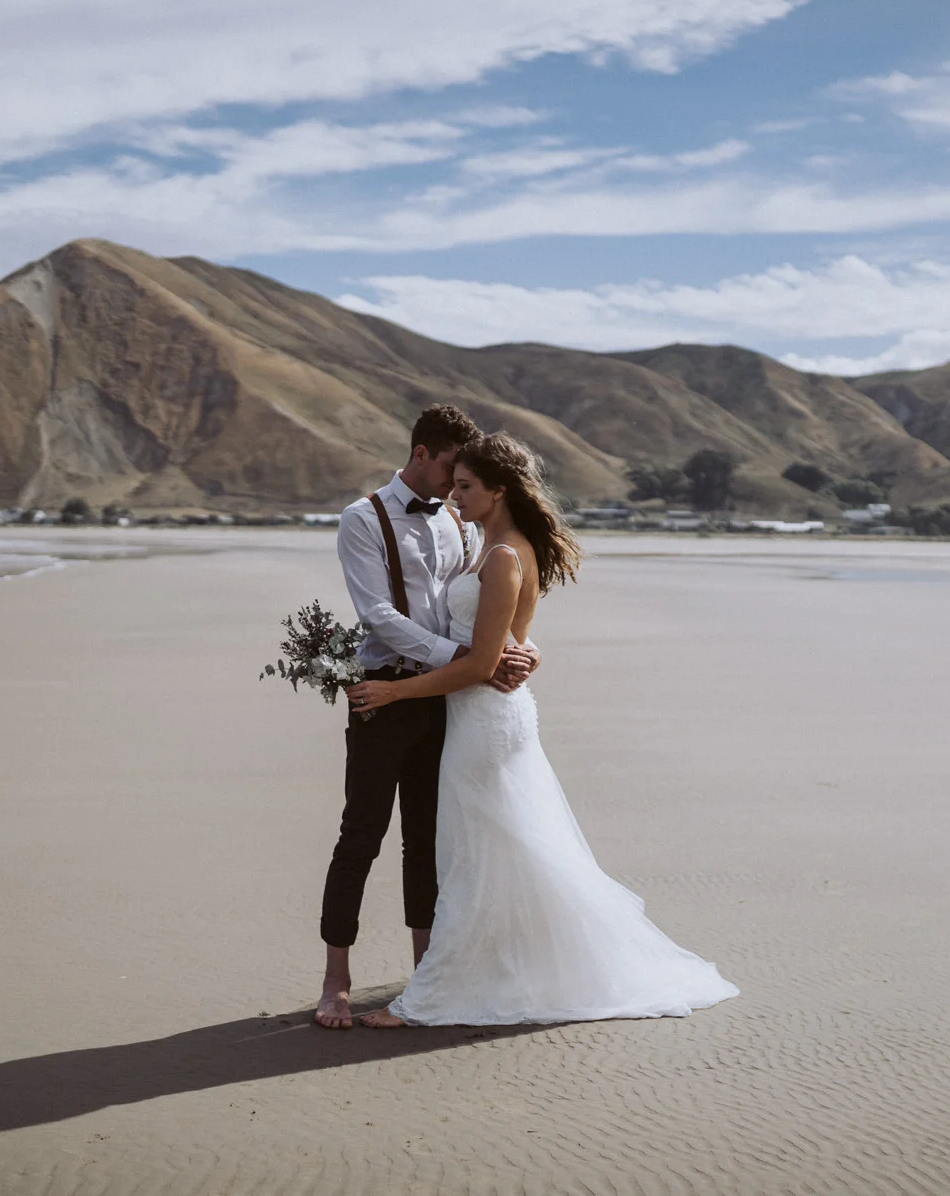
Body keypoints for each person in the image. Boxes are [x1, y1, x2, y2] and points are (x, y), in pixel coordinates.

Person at [345, 432, 738, 1027]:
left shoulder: (504, 555)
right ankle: (494, 970)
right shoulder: (492, 544)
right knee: (501, 849)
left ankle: (437, 993)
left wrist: (393, 690)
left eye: (466, 486)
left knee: (474, 856)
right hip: (483, 715)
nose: (455, 495)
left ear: (499, 490)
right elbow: (508, 641)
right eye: (455, 484)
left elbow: (481, 665)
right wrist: (525, 651)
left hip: (484, 719)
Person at [316, 405, 541, 1030]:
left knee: (427, 842)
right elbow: (378, 616)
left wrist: (519, 652)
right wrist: (467, 659)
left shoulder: (462, 520)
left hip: (451, 701)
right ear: (422, 454)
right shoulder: (363, 518)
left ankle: (423, 979)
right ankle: (336, 982)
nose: (455, 486)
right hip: (383, 694)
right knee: (359, 837)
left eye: (464, 478)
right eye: (450, 470)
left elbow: (491, 607)